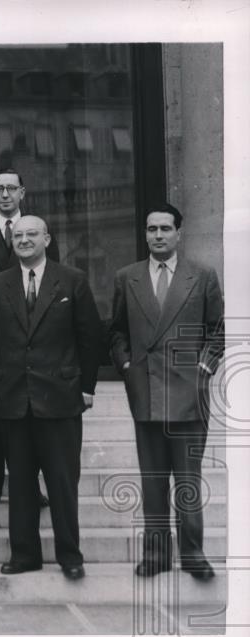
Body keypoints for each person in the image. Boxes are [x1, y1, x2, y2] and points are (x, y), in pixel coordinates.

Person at [109, 203, 224, 581]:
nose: (157, 235)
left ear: (179, 233)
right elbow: (117, 331)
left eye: (165, 229)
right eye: (151, 229)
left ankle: (193, 554)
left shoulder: (202, 275)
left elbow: (218, 331)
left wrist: (203, 370)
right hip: (146, 392)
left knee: (187, 481)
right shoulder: (128, 277)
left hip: (189, 395)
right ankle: (156, 556)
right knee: (153, 480)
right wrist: (127, 367)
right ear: (144, 234)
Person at [0, 216, 102, 581]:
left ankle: (70, 555)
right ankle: (24, 555)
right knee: (20, 483)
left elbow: (90, 337)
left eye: (31, 234)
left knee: (62, 482)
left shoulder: (72, 279)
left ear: (47, 238)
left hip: (60, 397)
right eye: (18, 235)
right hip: (14, 398)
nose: (24, 240)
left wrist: (87, 387)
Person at [0, 168, 60, 507]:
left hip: (30, 337)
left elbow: (51, 285)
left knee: (29, 416)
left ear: (22, 192)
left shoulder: (37, 230)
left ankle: (32, 487)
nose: (4, 194)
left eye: (10, 188)